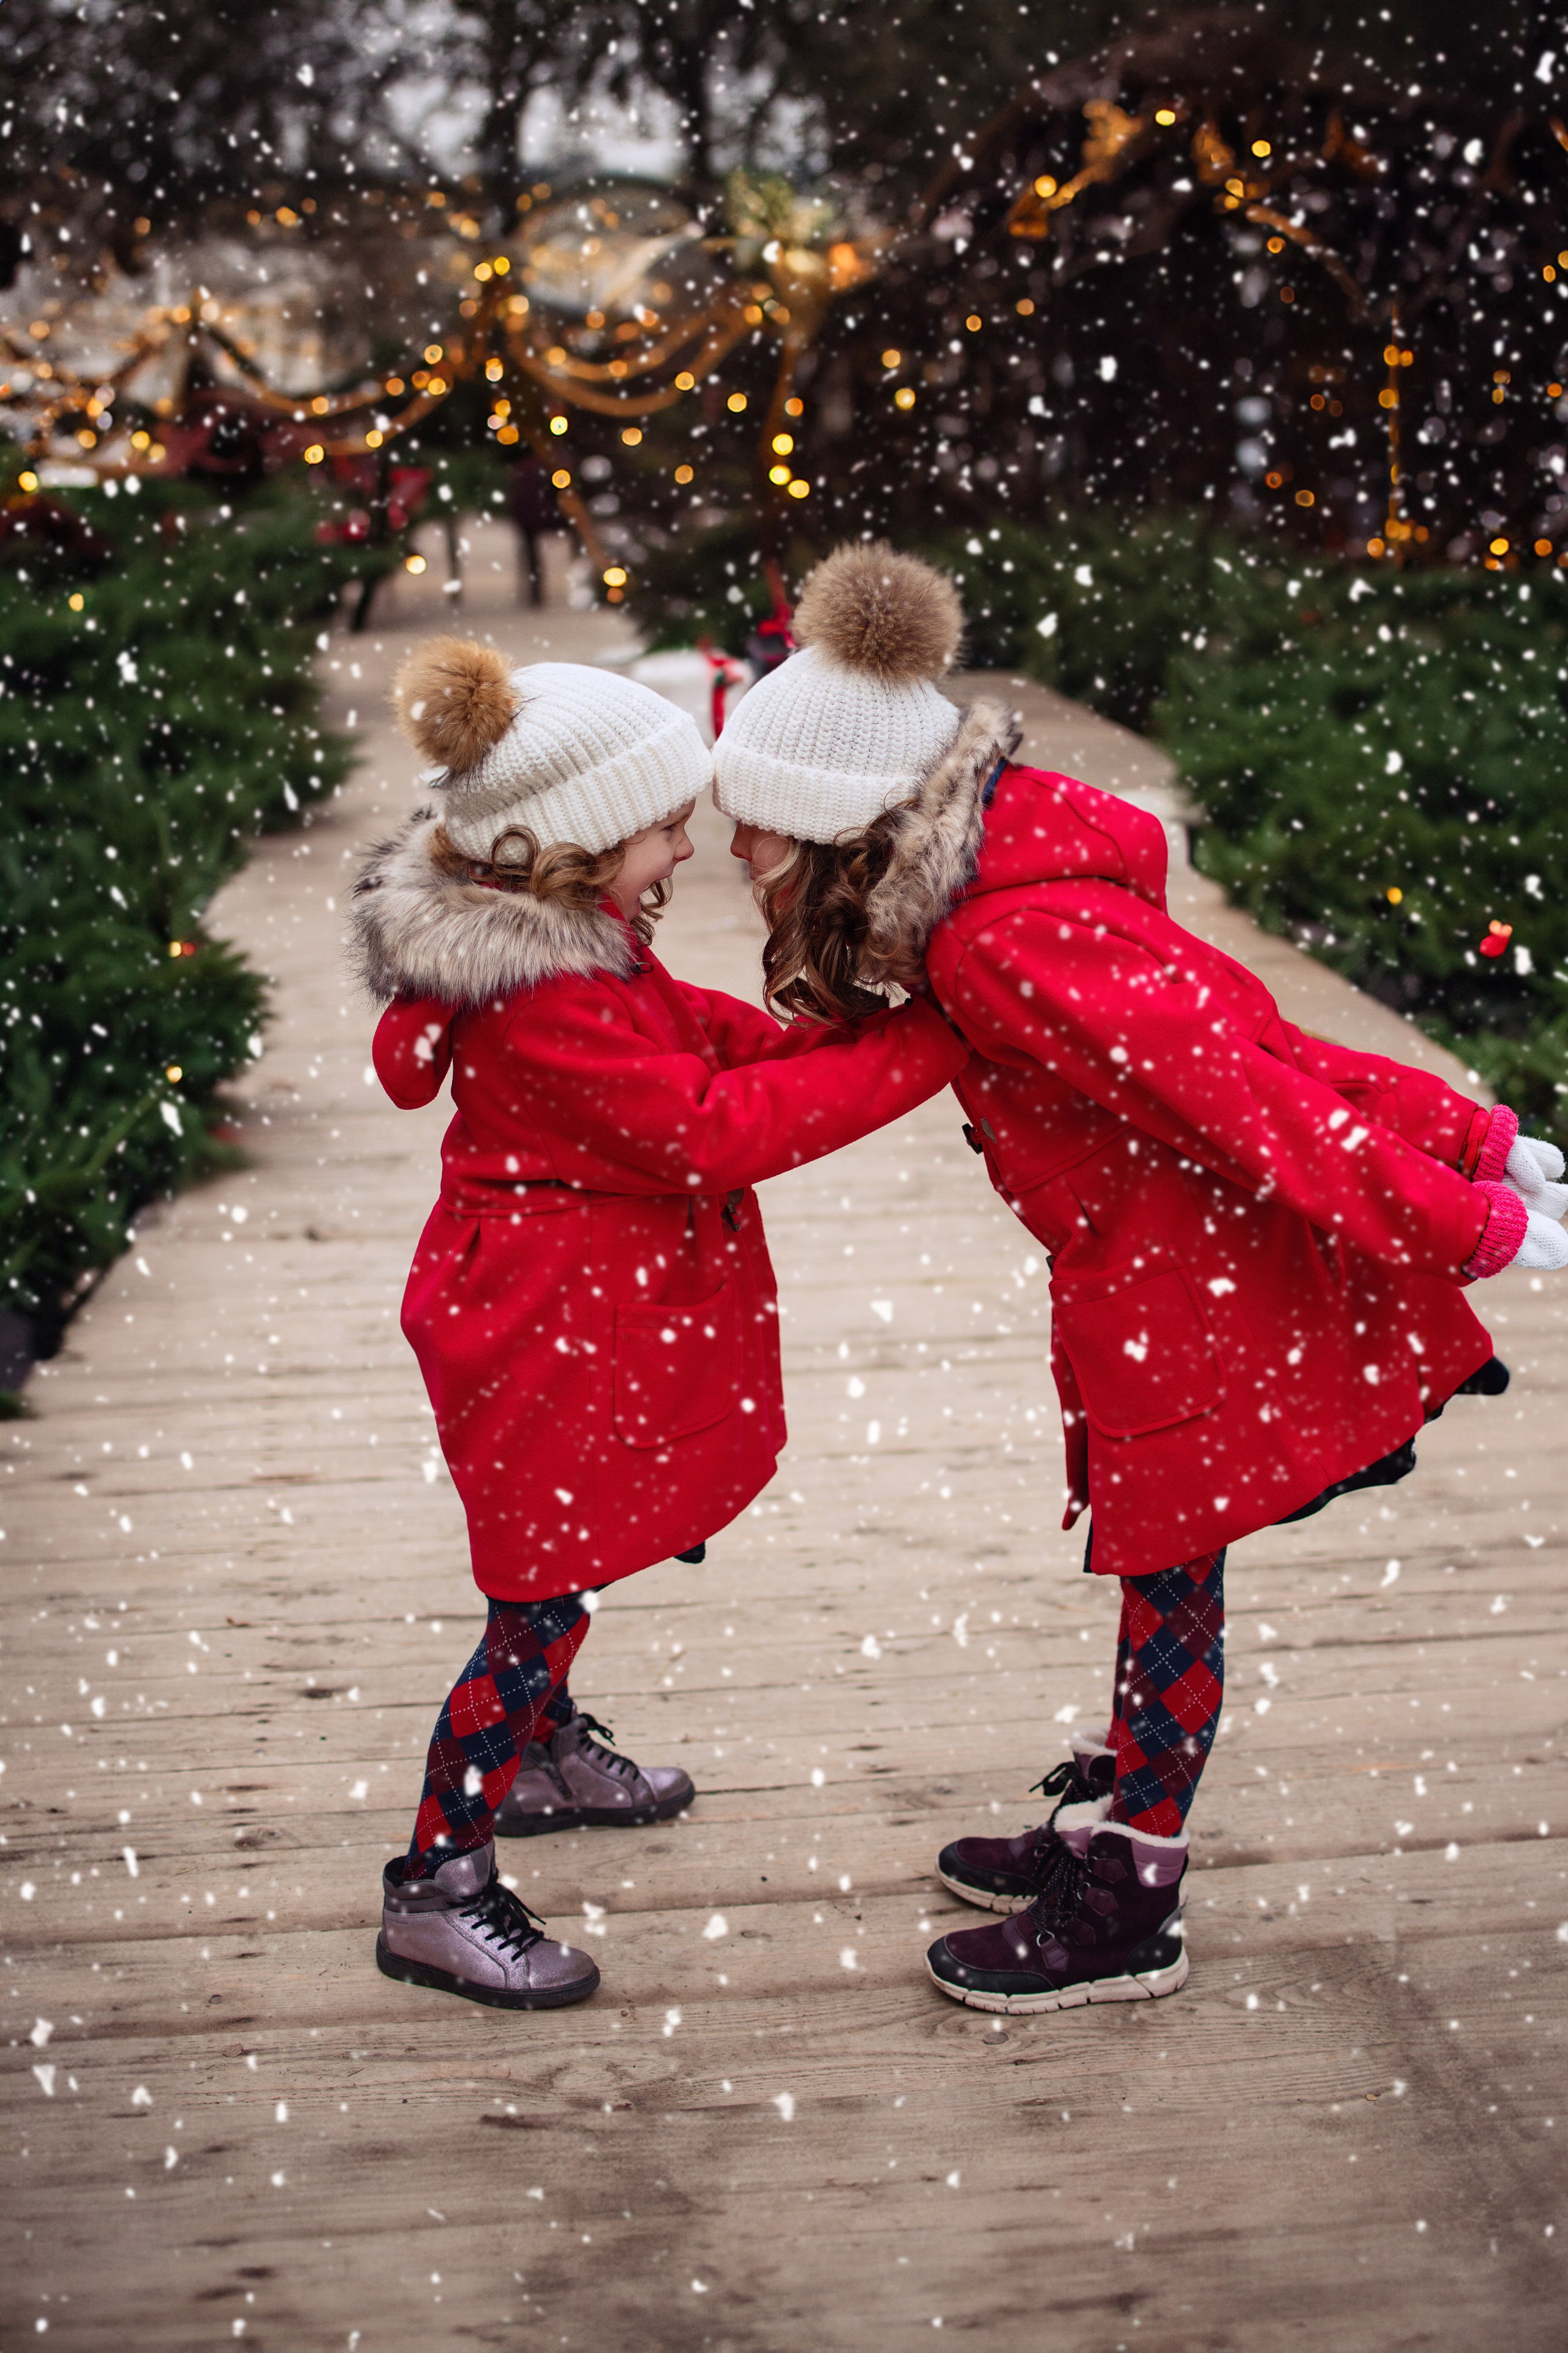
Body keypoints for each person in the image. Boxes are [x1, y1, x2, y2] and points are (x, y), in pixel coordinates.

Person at [713, 542, 1568, 2017]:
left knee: (1167, 1582)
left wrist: (1455, 1214)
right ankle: (1113, 1824)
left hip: (1191, 1286)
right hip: (1160, 1270)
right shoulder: (992, 896)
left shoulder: (1004, 937)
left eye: (752, 833)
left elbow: (1241, 1090)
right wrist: (1474, 1134)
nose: (737, 857)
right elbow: (1253, 1034)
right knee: (1160, 1576)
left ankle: (1132, 1897)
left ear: (836, 828)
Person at [349, 635, 968, 2011]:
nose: (684, 850)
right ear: (567, 845)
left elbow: (695, 1032)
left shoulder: (572, 949)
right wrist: (921, 1057)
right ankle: (436, 1885)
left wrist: (852, 1028)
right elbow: (702, 1128)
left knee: (565, 1555)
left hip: (561, 1306)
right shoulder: (544, 993)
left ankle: (547, 1752)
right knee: (534, 1595)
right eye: (662, 829)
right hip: (536, 1324)